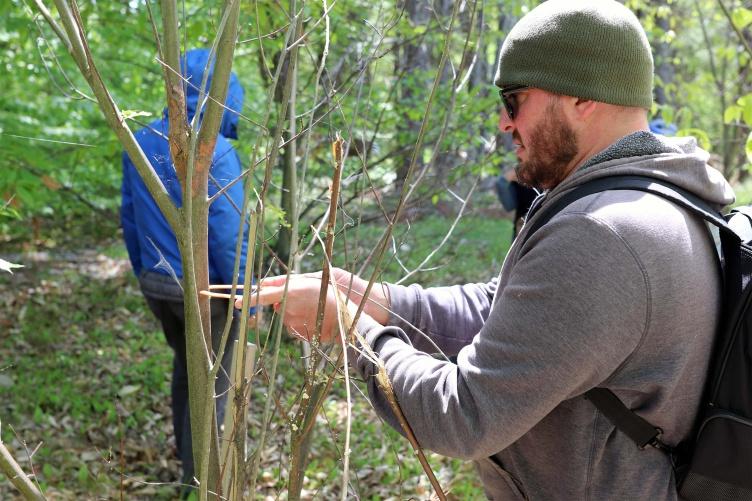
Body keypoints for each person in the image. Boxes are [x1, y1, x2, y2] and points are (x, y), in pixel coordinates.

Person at [242, 1, 735, 499]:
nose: (504, 121)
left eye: (515, 98)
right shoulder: (652, 201)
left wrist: (351, 328)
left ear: (582, 98)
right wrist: (378, 299)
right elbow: (511, 309)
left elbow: (464, 416)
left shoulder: (603, 233)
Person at [121, 48, 249, 489]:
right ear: (223, 95)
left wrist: (145, 273)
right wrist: (243, 298)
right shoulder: (217, 150)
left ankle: (190, 477)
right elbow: (228, 235)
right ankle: (205, 484)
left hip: (159, 286)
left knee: (187, 372)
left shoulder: (140, 140)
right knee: (215, 382)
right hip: (205, 291)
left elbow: (130, 217)